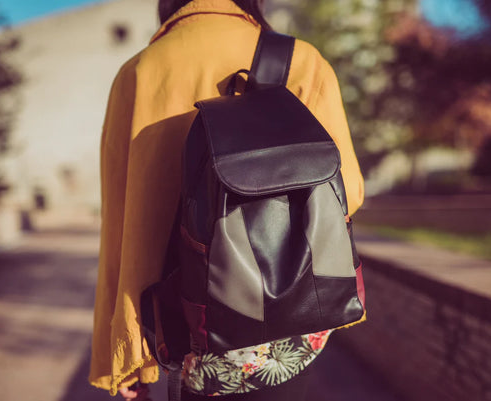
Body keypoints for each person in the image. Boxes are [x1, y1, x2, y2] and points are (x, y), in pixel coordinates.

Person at [88, 0, 365, 400]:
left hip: (186, 335)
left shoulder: (136, 74)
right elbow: (349, 192)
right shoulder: (301, 60)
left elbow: (119, 230)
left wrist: (126, 358)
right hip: (290, 331)